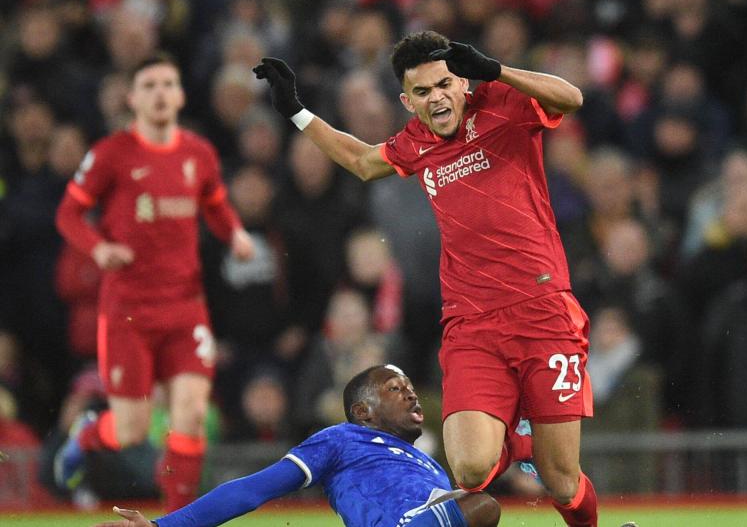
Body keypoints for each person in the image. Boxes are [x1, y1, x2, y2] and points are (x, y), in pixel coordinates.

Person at [253, 30, 599, 526]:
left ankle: (535, 451)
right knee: (470, 470)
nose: (436, 97)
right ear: (407, 102)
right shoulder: (416, 141)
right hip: (471, 323)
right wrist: (296, 111)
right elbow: (361, 160)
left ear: (461, 84)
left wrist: (496, 69)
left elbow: (572, 97)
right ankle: (518, 437)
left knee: (560, 478)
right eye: (422, 91)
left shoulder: (501, 104)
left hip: (543, 311)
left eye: (443, 84)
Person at [53, 53, 255, 511]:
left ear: (181, 96)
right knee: (132, 430)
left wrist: (235, 234)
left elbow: (215, 205)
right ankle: (87, 434)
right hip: (128, 309)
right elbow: (68, 213)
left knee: (191, 413)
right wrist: (98, 249)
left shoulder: (199, 154)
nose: (160, 93)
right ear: (132, 98)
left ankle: (176, 516)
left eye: (168, 84)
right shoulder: (111, 154)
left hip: (185, 306)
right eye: (149, 85)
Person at [92, 365, 502, 527]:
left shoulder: (430, 464)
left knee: (476, 503)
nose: (411, 394)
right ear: (362, 412)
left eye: (411, 387)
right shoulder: (343, 438)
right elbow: (253, 489)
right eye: (395, 389)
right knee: (482, 505)